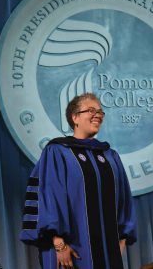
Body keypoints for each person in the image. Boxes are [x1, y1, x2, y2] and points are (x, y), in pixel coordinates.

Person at [20, 93, 137, 269]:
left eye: (100, 112)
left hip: (108, 251)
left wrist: (121, 239)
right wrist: (58, 243)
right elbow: (49, 197)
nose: (97, 115)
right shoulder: (58, 152)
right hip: (68, 250)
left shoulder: (110, 156)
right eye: (90, 110)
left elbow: (124, 201)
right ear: (75, 117)